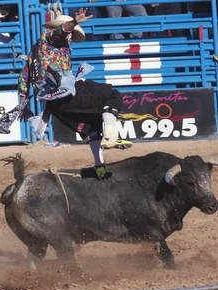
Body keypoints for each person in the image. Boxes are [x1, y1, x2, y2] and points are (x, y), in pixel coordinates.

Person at [13, 9, 130, 180]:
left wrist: (23, 103)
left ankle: (99, 167)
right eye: (71, 34)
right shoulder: (49, 38)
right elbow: (60, 32)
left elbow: (24, 77)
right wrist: (74, 23)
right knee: (112, 95)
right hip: (64, 92)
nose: (71, 37)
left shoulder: (35, 52)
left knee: (93, 124)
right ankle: (111, 135)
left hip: (55, 104)